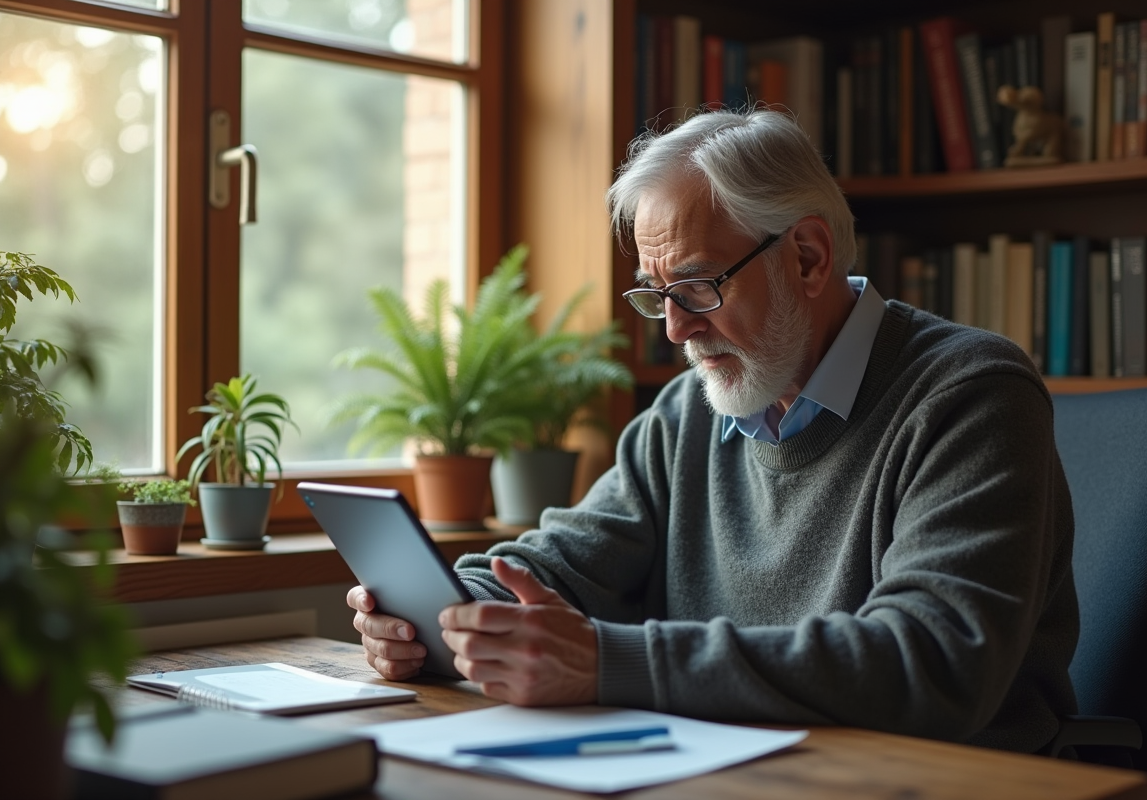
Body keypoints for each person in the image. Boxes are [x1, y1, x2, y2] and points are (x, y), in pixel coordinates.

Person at [347, 108, 1078, 753]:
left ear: (808, 257)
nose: (674, 328)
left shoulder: (971, 394)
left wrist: (609, 662)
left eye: (698, 286)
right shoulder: (685, 412)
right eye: (654, 295)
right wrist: (449, 616)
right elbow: (559, 565)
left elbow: (933, 660)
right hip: (739, 771)